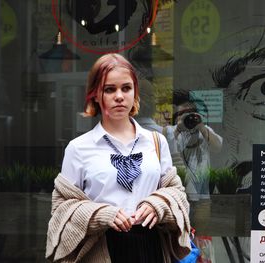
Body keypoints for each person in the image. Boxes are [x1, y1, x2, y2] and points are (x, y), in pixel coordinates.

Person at [45, 53, 191, 263]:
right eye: (109, 89)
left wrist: (158, 204)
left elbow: (178, 194)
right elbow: (61, 210)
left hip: (152, 248)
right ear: (95, 95)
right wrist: (102, 214)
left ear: (135, 92)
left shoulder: (156, 142)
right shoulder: (79, 148)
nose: (119, 96)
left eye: (126, 88)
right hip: (102, 249)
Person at [163, 92, 223, 200]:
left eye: (191, 113)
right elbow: (167, 150)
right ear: (176, 117)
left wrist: (201, 126)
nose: (187, 116)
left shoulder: (204, 130)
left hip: (201, 194)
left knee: (201, 216)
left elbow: (217, 147)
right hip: (176, 193)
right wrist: (179, 129)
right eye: (182, 113)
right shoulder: (169, 131)